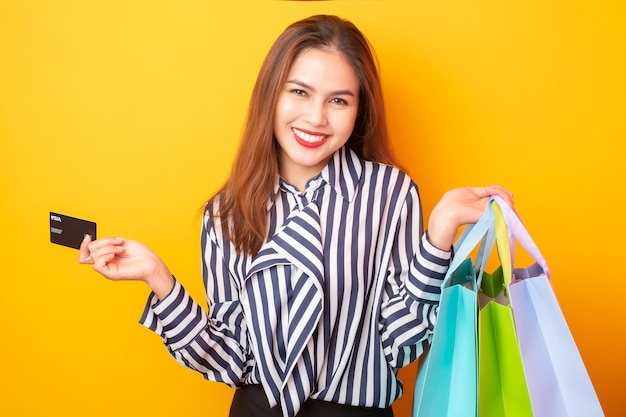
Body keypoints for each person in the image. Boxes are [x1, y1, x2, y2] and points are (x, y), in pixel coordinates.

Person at [79, 14, 513, 417]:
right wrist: (158, 277)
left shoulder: (390, 194)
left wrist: (437, 237)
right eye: (299, 92)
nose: (316, 117)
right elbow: (231, 357)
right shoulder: (226, 213)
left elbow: (403, 343)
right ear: (273, 94)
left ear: (359, 110)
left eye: (339, 100)